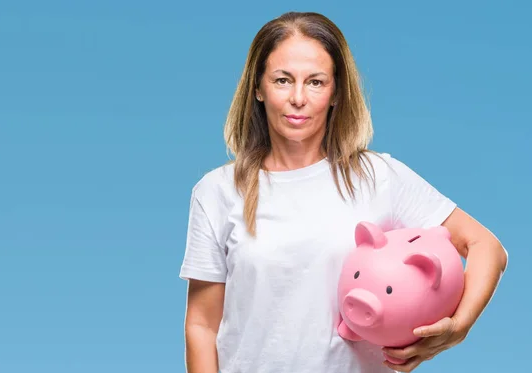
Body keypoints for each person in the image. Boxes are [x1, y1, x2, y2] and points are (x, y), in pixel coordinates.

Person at [179, 11, 508, 373]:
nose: (298, 98)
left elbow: (485, 246)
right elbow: (202, 325)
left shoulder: (379, 177)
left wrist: (456, 329)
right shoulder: (217, 192)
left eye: (316, 82)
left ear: (336, 92)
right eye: (283, 80)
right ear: (258, 88)